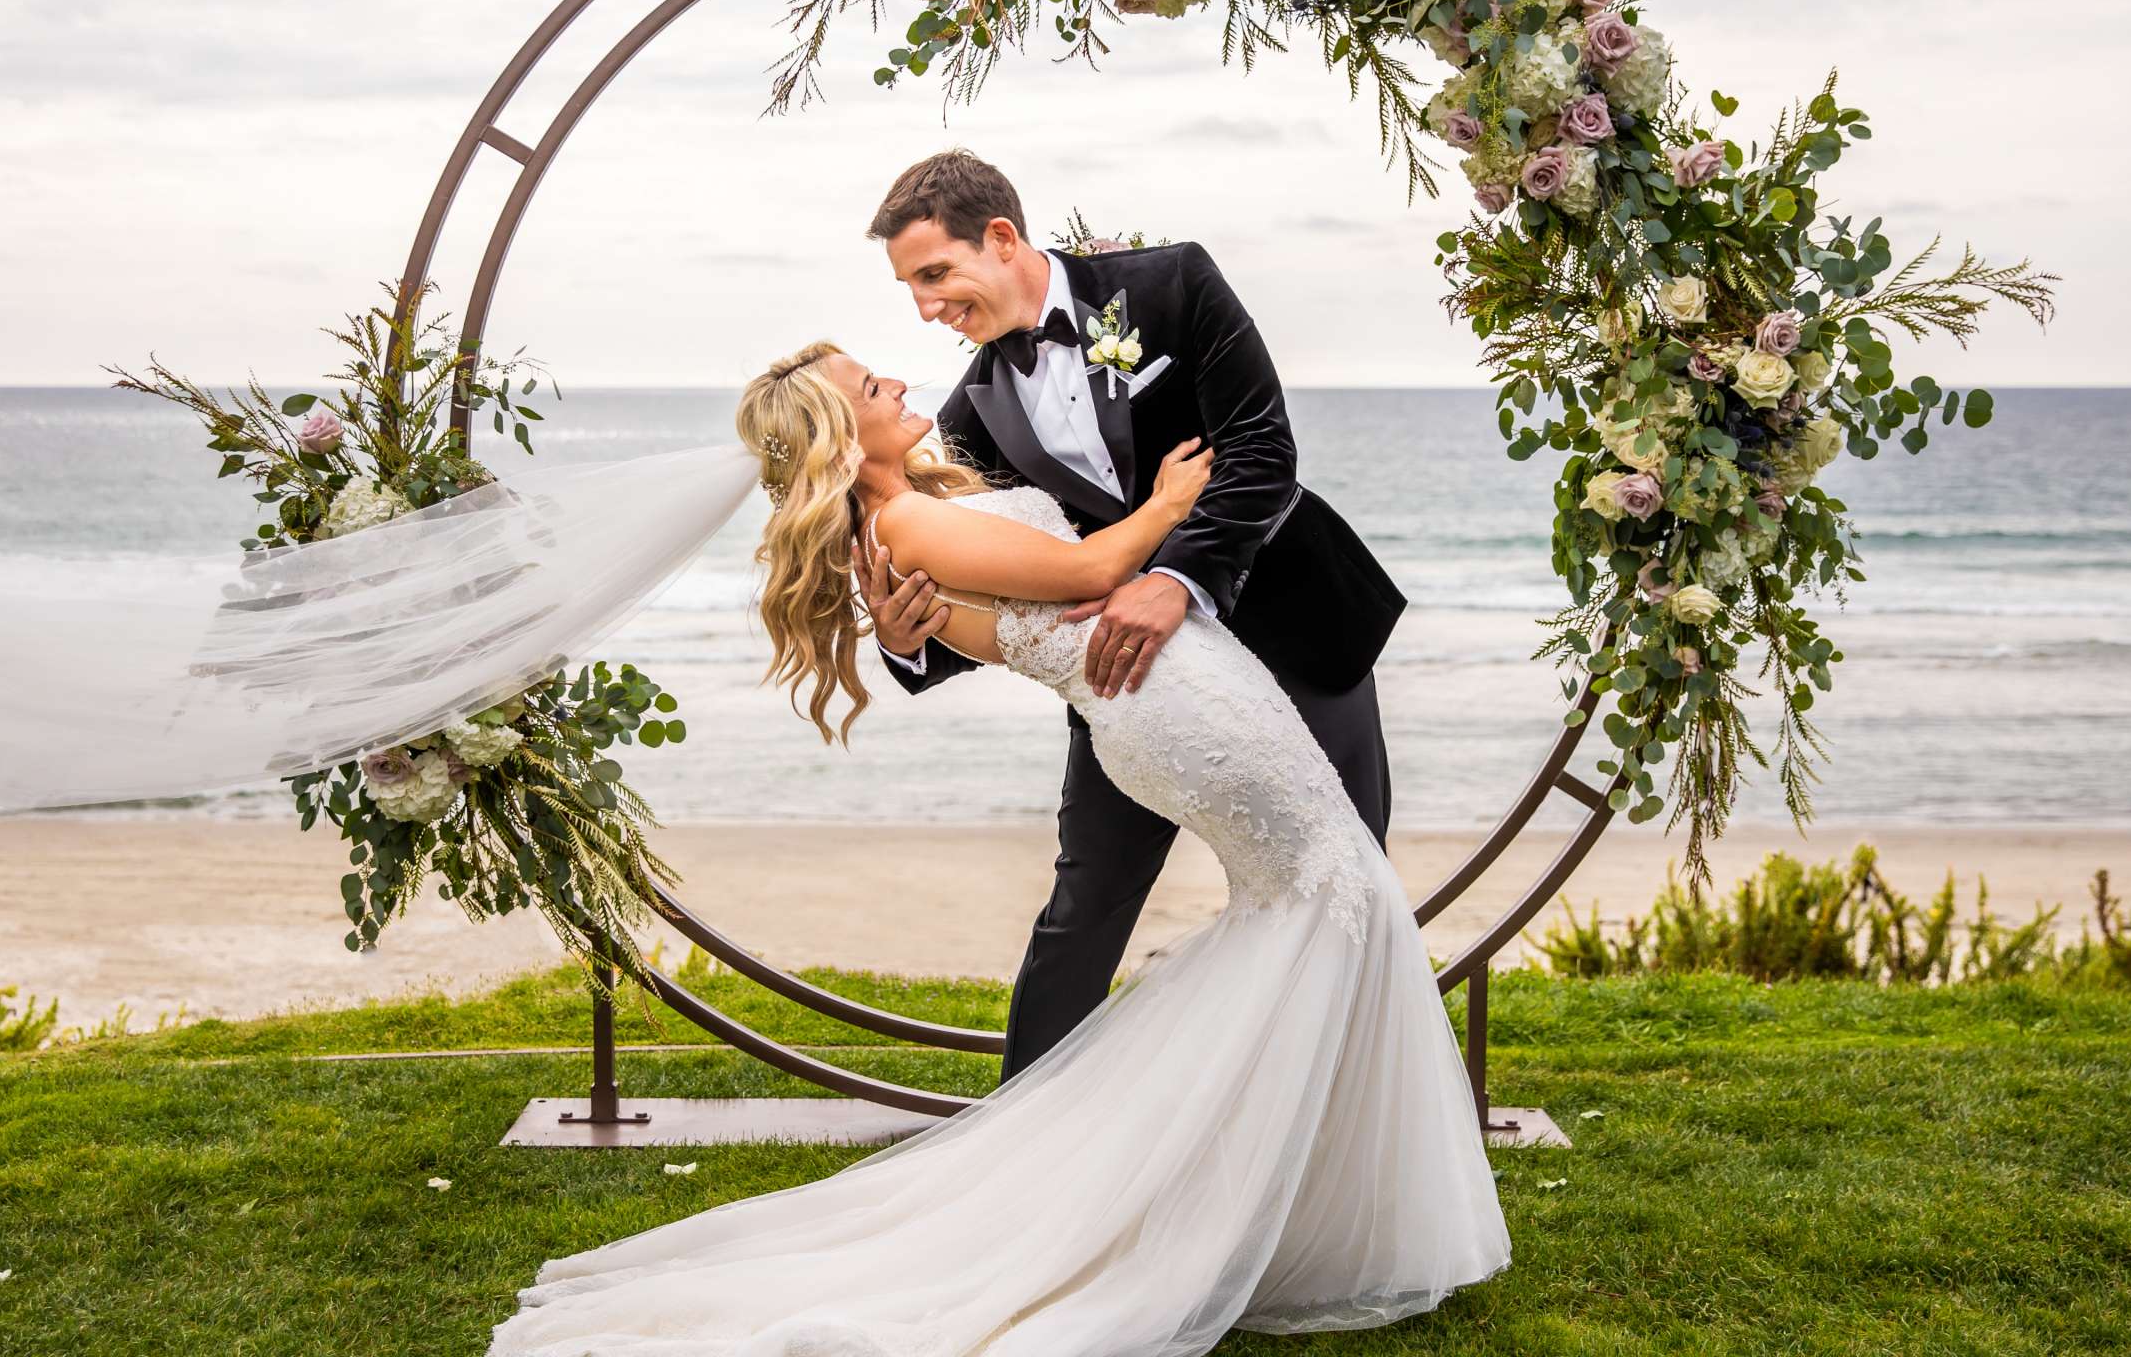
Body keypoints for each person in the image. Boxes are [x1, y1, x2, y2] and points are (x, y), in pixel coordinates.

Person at [483, 341, 1510, 1355]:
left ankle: (1259, 1199)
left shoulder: (933, 483)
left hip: (1195, 673)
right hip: (1163, 693)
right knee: (1326, 894)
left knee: (1317, 901)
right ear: (843, 432)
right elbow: (1086, 567)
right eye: (870, 384)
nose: (901, 365)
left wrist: (944, 612)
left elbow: (1000, 605)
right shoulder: (911, 514)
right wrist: (1168, 497)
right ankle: (1220, 1199)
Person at [857, 148, 1408, 1078]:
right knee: (1087, 904)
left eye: (934, 274)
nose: (925, 307)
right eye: (912, 286)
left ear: (1000, 239)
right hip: (1132, 685)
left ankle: (1325, 1115)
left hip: (1294, 627)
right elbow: (1004, 579)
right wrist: (906, 641)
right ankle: (1022, 1133)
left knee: (1347, 873)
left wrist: (1177, 580)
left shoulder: (1173, 283)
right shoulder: (973, 416)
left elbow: (1261, 452)